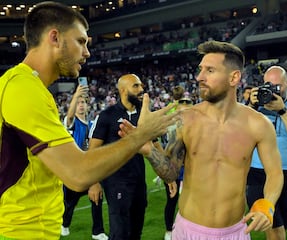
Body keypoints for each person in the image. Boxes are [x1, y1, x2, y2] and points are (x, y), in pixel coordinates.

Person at [0, 2, 178, 239]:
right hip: (21, 231)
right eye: (81, 42)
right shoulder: (22, 89)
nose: (87, 52)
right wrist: (142, 134)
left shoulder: (28, 87)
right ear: (54, 37)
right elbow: (78, 174)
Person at [122, 40, 284, 239]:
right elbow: (171, 173)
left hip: (234, 232)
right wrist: (149, 150)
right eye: (200, 70)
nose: (199, 77)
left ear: (234, 77)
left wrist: (267, 204)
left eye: (210, 70)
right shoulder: (186, 119)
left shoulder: (258, 124)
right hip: (188, 231)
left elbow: (275, 173)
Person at [246, 65, 287, 240]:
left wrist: (282, 111)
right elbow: (239, 135)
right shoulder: (255, 105)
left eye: (278, 86)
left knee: (281, 228)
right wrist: (251, 106)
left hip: (286, 172)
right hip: (258, 172)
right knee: (274, 228)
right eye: (268, 85)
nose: (273, 90)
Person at [88, 73, 147, 240]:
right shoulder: (107, 115)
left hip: (139, 180)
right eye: (136, 86)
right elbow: (92, 150)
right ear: (122, 90)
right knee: (120, 233)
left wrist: (168, 177)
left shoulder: (144, 114)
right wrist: (93, 183)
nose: (141, 89)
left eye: (141, 85)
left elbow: (154, 145)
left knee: (136, 232)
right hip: (116, 181)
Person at [61, 85, 108, 240]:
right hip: (74, 171)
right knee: (70, 203)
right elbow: (68, 115)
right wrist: (76, 95)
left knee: (97, 197)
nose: (81, 105)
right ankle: (64, 224)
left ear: (88, 105)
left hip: (89, 169)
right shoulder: (72, 122)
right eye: (79, 102)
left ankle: (97, 231)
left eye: (83, 102)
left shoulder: (92, 124)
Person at [163, 92, 192, 240]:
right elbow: (169, 151)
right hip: (174, 169)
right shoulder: (173, 128)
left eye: (188, 111)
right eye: (181, 112)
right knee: (172, 200)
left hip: (191, 170)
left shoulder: (196, 128)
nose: (184, 115)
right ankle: (169, 230)